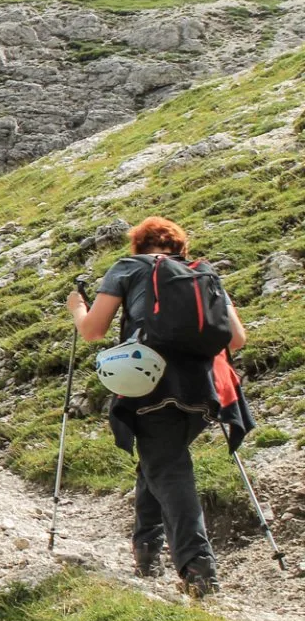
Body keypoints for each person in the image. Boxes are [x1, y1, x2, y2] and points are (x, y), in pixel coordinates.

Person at [66, 216, 247, 597]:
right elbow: (238, 339)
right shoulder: (203, 272)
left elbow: (93, 330)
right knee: (159, 458)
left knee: (169, 467)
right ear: (181, 248)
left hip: (148, 382)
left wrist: (76, 309)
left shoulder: (129, 268)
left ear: (139, 245)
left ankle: (198, 568)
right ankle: (146, 549)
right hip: (204, 389)